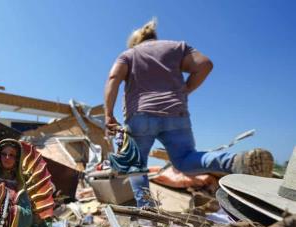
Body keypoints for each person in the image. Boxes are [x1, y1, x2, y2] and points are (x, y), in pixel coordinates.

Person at [104, 18, 273, 207]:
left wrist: (109, 114)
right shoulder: (176, 47)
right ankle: (234, 162)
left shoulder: (129, 54)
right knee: (185, 159)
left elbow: (113, 77)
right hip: (176, 113)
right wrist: (185, 90)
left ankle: (149, 213)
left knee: (136, 166)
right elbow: (205, 64)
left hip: (140, 115)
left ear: (135, 42)